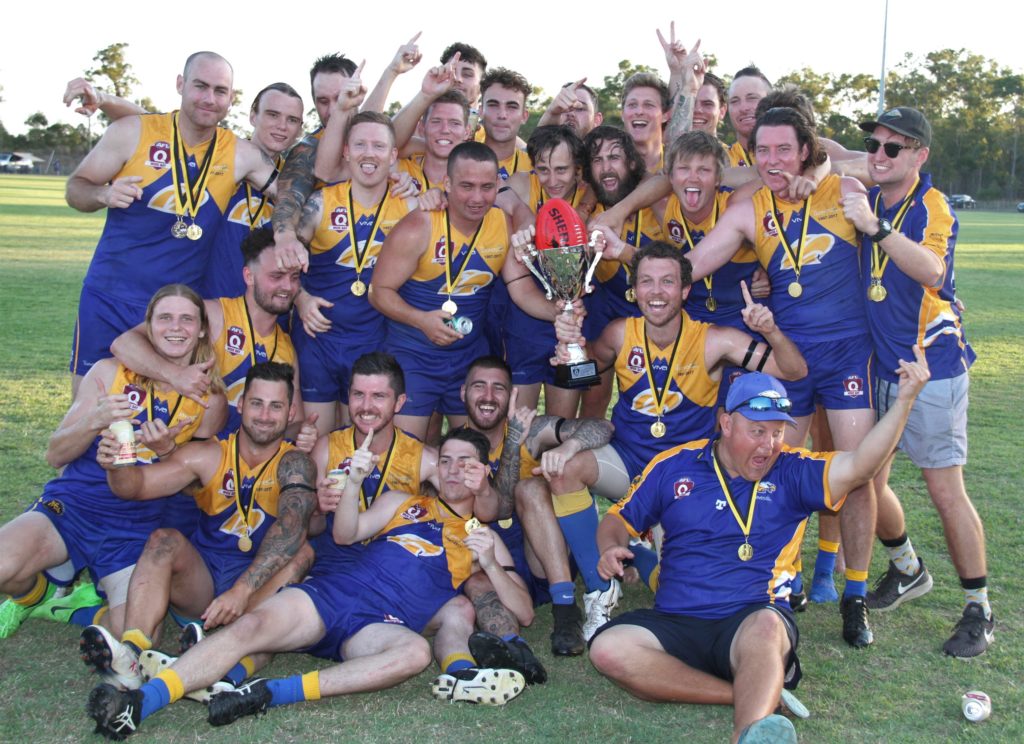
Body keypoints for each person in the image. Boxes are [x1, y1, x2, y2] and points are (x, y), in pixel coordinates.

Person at [85, 430, 530, 739]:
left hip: (382, 625)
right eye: (446, 460)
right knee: (249, 629)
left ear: (481, 470)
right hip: (334, 596)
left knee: (413, 653)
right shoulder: (404, 502)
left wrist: (489, 563)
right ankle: (139, 705)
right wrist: (354, 483)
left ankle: (269, 694)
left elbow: (524, 611)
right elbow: (344, 533)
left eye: (464, 463)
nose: (452, 470)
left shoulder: (481, 536)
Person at [589, 352, 931, 744]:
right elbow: (618, 519)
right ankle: (750, 692)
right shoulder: (674, 465)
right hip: (677, 619)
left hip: (750, 619)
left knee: (768, 626)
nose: (769, 445)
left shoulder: (793, 469)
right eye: (757, 431)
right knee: (608, 649)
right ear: (726, 423)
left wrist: (904, 401)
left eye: (777, 432)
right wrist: (609, 549)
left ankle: (748, 733)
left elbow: (861, 466)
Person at [685, 106, 879, 648]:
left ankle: (855, 594)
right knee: (765, 467)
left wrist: (820, 176)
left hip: (846, 358)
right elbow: (695, 263)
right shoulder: (751, 209)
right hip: (787, 361)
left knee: (856, 471)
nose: (771, 161)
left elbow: (876, 169)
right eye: (762, 151)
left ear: (805, 150)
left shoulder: (841, 190)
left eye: (783, 150)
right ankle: (773, 580)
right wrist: (634, 264)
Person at [547, 242, 807, 640]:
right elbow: (581, 375)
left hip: (684, 479)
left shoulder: (715, 340)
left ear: (685, 290)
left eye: (668, 282)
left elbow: (794, 370)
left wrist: (769, 330)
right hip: (630, 462)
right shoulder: (620, 333)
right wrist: (567, 349)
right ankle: (600, 592)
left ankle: (645, 560)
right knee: (564, 470)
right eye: (647, 281)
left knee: (681, 590)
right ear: (634, 289)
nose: (656, 292)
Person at [842, 107, 991, 657]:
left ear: (920, 155)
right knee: (867, 483)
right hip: (881, 366)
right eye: (874, 145)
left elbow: (932, 270)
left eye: (893, 148)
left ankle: (979, 607)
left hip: (930, 368)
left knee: (944, 490)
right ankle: (906, 569)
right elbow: (829, 153)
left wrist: (874, 229)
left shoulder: (930, 205)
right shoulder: (870, 190)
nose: (879, 155)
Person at [0, 285, 226, 639]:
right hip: (74, 506)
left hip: (134, 525)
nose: (175, 327)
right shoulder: (109, 373)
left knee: (134, 637)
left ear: (200, 329)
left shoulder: (210, 402)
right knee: (4, 567)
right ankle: (38, 592)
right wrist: (94, 420)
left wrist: (167, 452)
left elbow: (197, 490)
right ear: (148, 327)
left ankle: (88, 608)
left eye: (187, 319)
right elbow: (54, 454)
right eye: (164, 318)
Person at [79, 362, 314, 691]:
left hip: (257, 585)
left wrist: (241, 591)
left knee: (301, 554)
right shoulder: (208, 454)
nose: (264, 415)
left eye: (276, 406)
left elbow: (293, 529)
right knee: (165, 540)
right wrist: (117, 463)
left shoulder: (295, 463)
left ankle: (229, 663)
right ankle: (130, 655)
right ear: (241, 405)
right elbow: (135, 487)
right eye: (257, 403)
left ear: (290, 413)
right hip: (203, 581)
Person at [64, 52, 280, 396]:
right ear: (180, 84)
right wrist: (103, 195)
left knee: (163, 412)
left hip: (177, 311)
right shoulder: (132, 132)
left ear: (231, 99)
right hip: (110, 296)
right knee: (90, 404)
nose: (210, 98)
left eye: (220, 91)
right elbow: (76, 188)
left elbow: (292, 194)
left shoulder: (240, 154)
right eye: (200, 86)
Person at [369, 142, 559, 441]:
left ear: (498, 185)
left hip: (469, 361)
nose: (477, 197)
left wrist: (559, 312)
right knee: (407, 455)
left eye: (486, 187)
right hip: (413, 357)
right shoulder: (419, 226)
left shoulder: (502, 224)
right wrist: (421, 320)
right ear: (446, 183)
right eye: (466, 186)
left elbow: (520, 288)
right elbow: (378, 292)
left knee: (477, 454)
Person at [61, 76, 305, 301]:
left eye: (292, 120)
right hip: (205, 304)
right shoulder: (221, 155)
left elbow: (310, 202)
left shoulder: (288, 178)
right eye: (273, 115)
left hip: (264, 309)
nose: (282, 126)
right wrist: (103, 99)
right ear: (253, 115)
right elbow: (160, 128)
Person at [460, 356, 615, 656]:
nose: (489, 397)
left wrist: (568, 447)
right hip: (499, 568)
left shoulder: (532, 431)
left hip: (544, 557)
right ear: (462, 393)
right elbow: (500, 508)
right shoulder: (456, 446)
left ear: (512, 396)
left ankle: (565, 611)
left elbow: (603, 427)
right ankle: (509, 648)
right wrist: (512, 440)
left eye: (499, 388)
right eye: (479, 387)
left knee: (530, 487)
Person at [290, 112, 419, 435]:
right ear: (346, 151)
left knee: (359, 444)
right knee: (314, 437)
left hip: (374, 342)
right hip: (318, 340)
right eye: (360, 144)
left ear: (392, 156)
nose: (369, 153)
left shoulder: (409, 208)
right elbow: (280, 260)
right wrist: (300, 299)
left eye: (379, 145)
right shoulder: (319, 204)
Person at [110, 229, 304, 436]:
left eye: (294, 277)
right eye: (276, 276)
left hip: (235, 460)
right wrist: (174, 375)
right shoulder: (212, 314)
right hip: (182, 445)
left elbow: (296, 419)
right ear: (249, 276)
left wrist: (302, 434)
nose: (287, 286)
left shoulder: (286, 349)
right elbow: (123, 344)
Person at [479, 68, 533, 181]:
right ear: (480, 111)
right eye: (493, 105)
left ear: (524, 116)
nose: (502, 115)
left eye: (512, 106)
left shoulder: (536, 169)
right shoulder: (457, 159)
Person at [621, 72, 670, 173]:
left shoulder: (679, 165)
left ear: (665, 115)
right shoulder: (605, 166)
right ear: (622, 114)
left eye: (648, 105)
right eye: (632, 105)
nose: (639, 112)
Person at [725, 66, 772, 167]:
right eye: (734, 101)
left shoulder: (798, 159)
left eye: (752, 98)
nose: (743, 108)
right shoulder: (718, 158)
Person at [536, 79, 604, 137]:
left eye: (580, 109)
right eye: (564, 108)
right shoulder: (534, 151)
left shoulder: (611, 152)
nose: (571, 113)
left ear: (597, 120)